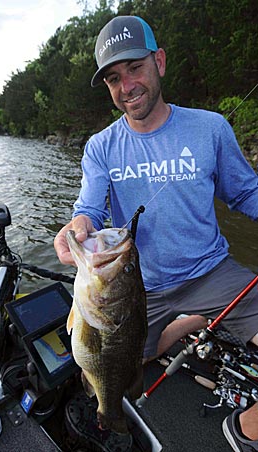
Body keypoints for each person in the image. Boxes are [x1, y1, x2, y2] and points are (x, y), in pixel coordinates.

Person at [54, 15, 258, 451]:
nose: (126, 86)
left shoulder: (210, 128)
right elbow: (87, 210)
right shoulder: (101, 147)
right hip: (135, 288)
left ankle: (246, 429)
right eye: (113, 77)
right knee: (127, 362)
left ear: (160, 62)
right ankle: (188, 323)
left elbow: (246, 194)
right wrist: (77, 229)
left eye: (135, 68)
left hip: (209, 271)